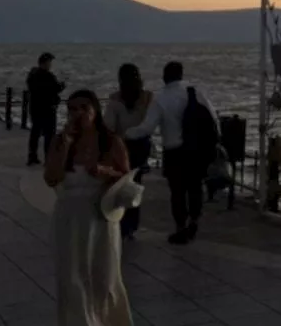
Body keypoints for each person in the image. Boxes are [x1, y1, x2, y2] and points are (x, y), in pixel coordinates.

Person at [43, 89, 132, 325]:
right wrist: (66, 146)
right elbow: (51, 178)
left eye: (84, 108)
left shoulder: (111, 141)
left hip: (100, 216)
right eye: (72, 109)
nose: (77, 113)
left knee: (104, 278)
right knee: (71, 277)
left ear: (95, 110)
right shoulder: (60, 141)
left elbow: (126, 178)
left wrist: (104, 171)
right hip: (69, 217)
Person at [125, 61, 219, 245]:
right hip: (196, 151)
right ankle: (194, 220)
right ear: (181, 75)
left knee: (177, 191)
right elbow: (213, 118)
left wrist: (126, 134)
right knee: (195, 187)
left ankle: (180, 228)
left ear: (164, 76)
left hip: (174, 152)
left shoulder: (161, 99)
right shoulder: (196, 92)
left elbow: (147, 128)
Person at [103, 64, 153, 239]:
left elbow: (108, 127)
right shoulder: (147, 98)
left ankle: (120, 221)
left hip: (121, 145)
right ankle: (132, 225)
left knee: (119, 184)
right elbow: (151, 123)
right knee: (135, 183)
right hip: (141, 146)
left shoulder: (115, 100)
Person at [26, 52, 65, 166]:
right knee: (49, 135)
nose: (50, 65)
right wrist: (62, 86)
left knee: (35, 132)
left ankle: (32, 156)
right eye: (49, 62)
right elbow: (55, 88)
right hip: (48, 109)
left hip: (35, 109)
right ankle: (48, 158)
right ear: (44, 63)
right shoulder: (48, 76)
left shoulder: (32, 75)